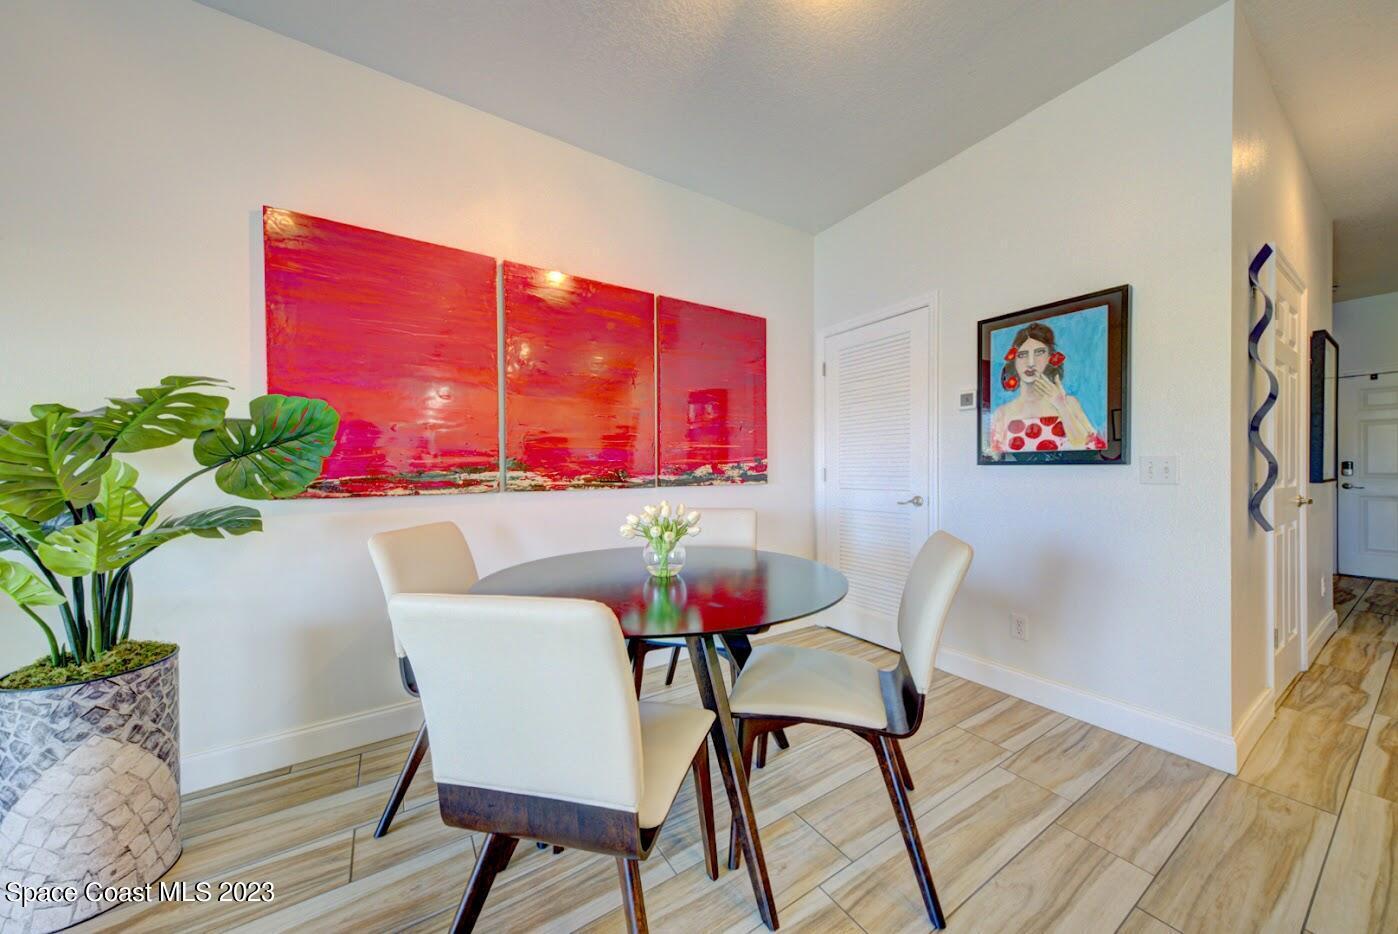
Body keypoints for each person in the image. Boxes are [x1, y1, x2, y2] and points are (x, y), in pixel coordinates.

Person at [989, 322, 1105, 454]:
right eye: (1022, 355)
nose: (1030, 363)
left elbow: (1091, 446)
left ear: (1050, 357)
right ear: (1014, 361)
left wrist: (1061, 406)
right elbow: (994, 456)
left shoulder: (1069, 403)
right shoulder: (1002, 412)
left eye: (1039, 353)